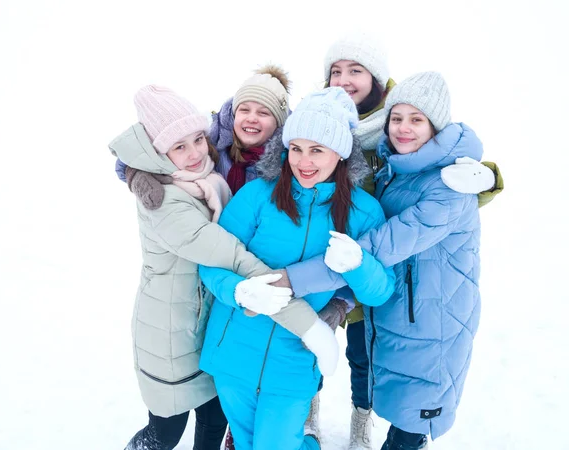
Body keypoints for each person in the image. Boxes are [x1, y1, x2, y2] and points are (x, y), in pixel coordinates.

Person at [290, 31, 504, 449]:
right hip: (361, 273)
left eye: (356, 70)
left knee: (366, 361)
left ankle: (360, 424)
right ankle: (307, 413)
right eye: (336, 70)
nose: (344, 79)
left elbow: (439, 192)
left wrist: (491, 177)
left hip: (377, 277)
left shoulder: (398, 141)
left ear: (377, 81)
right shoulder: (330, 125)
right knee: (307, 348)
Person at [197, 87, 396, 450]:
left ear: (341, 153)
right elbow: (212, 262)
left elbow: (381, 291)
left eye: (317, 150)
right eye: (297, 149)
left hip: (294, 360)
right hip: (233, 351)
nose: (304, 161)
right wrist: (238, 290)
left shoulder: (364, 213)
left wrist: (358, 265)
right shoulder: (258, 196)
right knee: (245, 442)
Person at [108, 85, 302, 450]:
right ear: (157, 153)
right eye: (179, 146)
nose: (196, 152)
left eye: (199, 139)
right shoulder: (165, 199)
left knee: (213, 422)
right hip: (171, 331)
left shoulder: (202, 179)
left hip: (207, 321)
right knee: (164, 432)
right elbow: (224, 251)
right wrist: (281, 283)